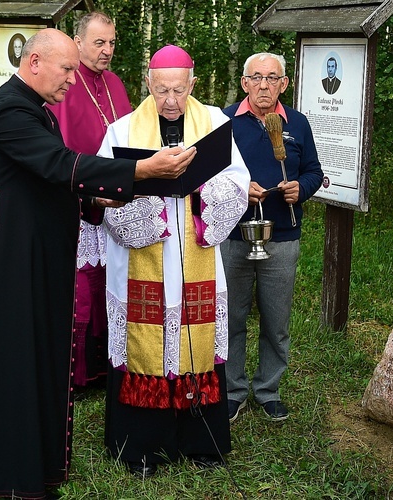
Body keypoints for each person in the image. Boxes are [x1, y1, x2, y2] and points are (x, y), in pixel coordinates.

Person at [0, 28, 196, 500]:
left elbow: (50, 181)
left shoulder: (33, 109)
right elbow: (61, 165)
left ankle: (32, 457)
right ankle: (13, 471)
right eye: (66, 70)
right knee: (16, 355)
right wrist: (141, 170)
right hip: (12, 254)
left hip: (31, 246)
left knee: (37, 351)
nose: (71, 82)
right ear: (35, 61)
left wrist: (97, 201)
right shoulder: (8, 110)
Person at [99, 44, 250, 478]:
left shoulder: (216, 126)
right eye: (162, 90)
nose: (169, 100)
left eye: (179, 91)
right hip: (144, 262)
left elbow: (238, 182)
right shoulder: (122, 130)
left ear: (193, 85)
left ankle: (201, 444)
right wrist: (151, 197)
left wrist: (203, 191)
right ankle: (141, 448)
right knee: (144, 348)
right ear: (147, 82)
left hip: (196, 255)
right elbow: (107, 192)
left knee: (197, 346)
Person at [222, 53, 323, 423]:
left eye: (272, 78)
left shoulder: (296, 123)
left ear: (284, 84)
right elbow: (208, 174)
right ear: (245, 83)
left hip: (282, 235)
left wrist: (302, 187)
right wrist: (237, 187)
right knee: (232, 316)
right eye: (256, 77)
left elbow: (314, 171)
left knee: (276, 319)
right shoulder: (225, 121)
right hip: (233, 233)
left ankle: (268, 389)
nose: (264, 85)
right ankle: (232, 390)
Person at [48, 11, 132, 392]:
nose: (108, 50)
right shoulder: (64, 85)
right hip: (78, 200)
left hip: (111, 203)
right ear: (77, 42)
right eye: (99, 42)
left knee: (107, 284)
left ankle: (103, 368)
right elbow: (58, 147)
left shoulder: (114, 83)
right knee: (81, 288)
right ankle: (75, 375)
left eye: (112, 42)